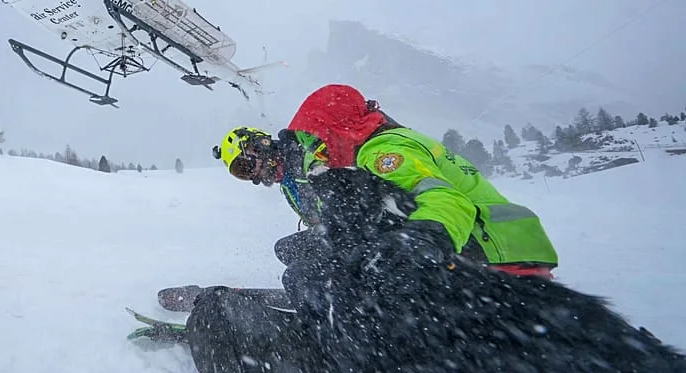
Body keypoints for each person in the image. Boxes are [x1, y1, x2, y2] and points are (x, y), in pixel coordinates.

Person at [214, 83, 560, 280]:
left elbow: (445, 201)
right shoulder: (359, 152)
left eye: (247, 165)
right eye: (242, 174)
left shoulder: (381, 150)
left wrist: (412, 249)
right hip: (474, 239)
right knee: (300, 252)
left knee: (313, 260)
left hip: (492, 249)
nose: (253, 176)